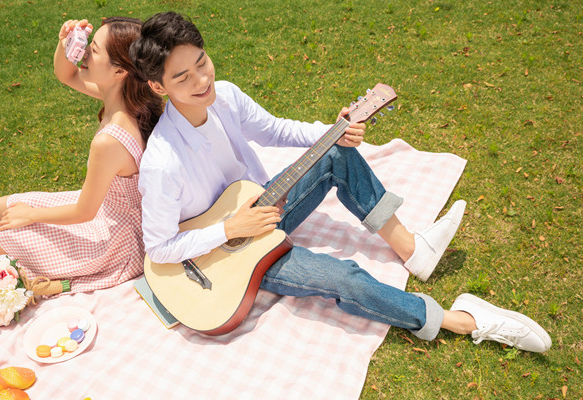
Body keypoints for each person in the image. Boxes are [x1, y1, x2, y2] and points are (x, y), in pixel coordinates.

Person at [129, 11, 551, 352]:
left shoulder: (227, 95)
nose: (201, 81)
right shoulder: (162, 163)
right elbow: (160, 248)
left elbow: (276, 130)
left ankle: (414, 251)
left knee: (335, 150)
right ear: (157, 86)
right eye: (182, 78)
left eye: (201, 63)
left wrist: (331, 129)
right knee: (345, 278)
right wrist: (229, 229)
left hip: (265, 207)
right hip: (223, 261)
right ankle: (460, 320)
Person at [0, 17, 163, 295]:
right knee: (23, 202)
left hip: (114, 239)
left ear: (120, 71)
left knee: (21, 232)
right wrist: (64, 45)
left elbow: (84, 212)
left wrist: (32, 216)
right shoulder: (128, 98)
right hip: (110, 211)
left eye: (93, 50)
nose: (83, 54)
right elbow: (66, 75)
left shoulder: (111, 140)